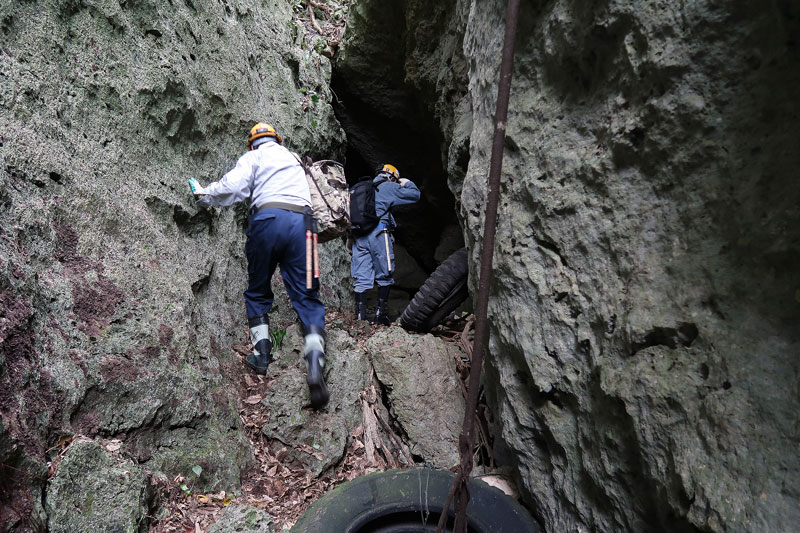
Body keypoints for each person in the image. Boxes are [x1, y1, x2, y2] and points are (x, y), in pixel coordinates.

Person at [189, 123, 329, 409]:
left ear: (253, 143)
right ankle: (315, 361)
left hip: (267, 219)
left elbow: (234, 186)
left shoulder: (254, 156)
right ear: (277, 139)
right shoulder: (294, 158)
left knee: (257, 290)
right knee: (308, 298)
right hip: (305, 225)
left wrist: (206, 196)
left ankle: (261, 355)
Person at [351, 164, 420, 325]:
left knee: (361, 277)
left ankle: (360, 318)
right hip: (379, 233)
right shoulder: (388, 186)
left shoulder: (359, 188)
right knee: (385, 273)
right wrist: (406, 182)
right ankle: (380, 316)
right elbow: (415, 195)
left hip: (359, 236)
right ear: (392, 177)